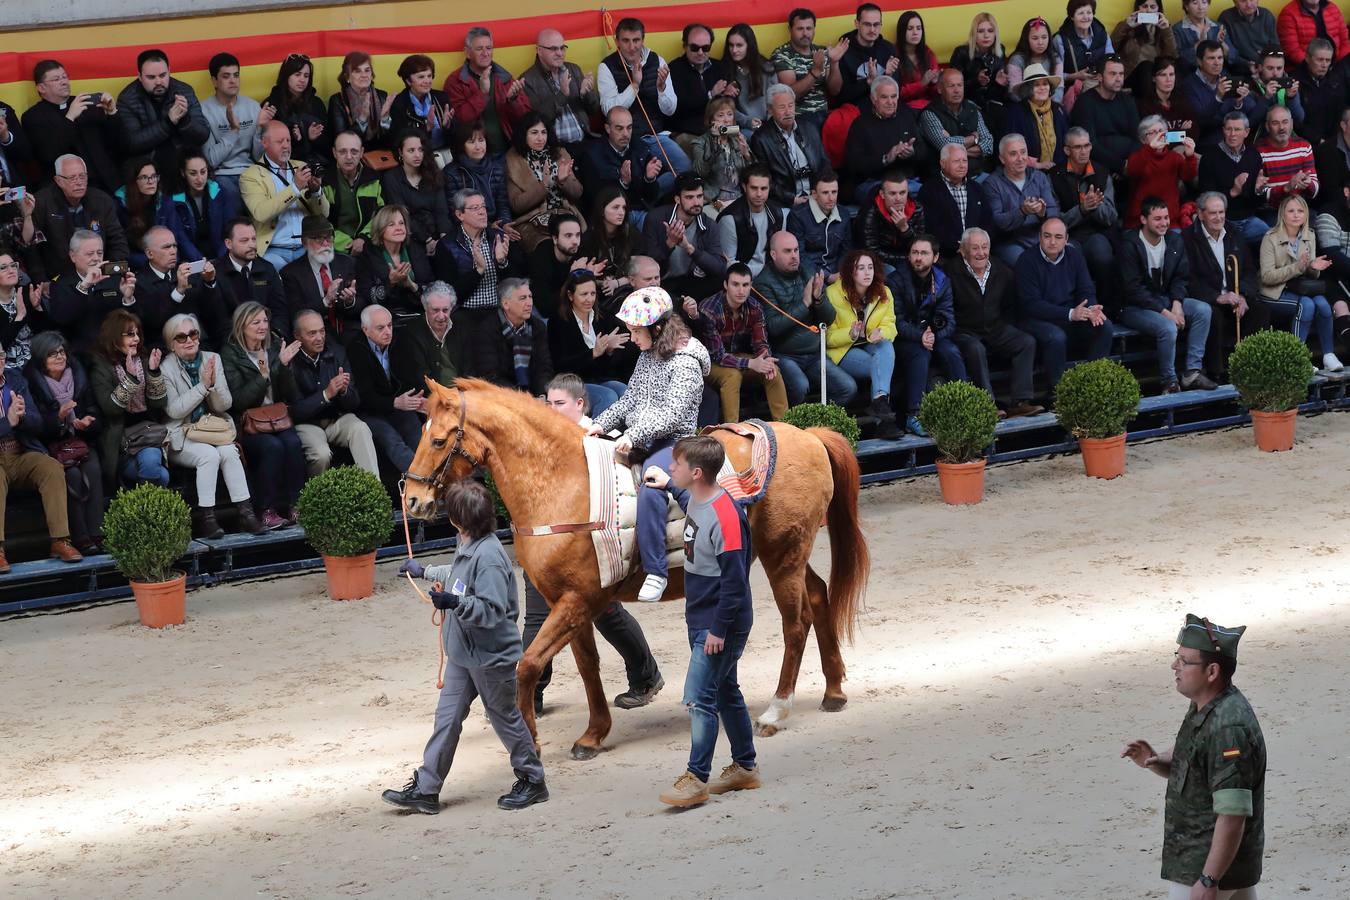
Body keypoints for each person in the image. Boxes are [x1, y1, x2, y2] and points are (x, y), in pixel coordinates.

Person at [383, 479, 549, 815]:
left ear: (458, 520)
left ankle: (533, 780)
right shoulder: (471, 543)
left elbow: (490, 610)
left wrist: (454, 603)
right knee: (446, 719)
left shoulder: (488, 557)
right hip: (464, 654)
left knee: (504, 718)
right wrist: (426, 570)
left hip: (490, 658)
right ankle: (427, 789)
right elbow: (459, 574)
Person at [521, 373, 664, 713]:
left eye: (559, 403)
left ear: (580, 404)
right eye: (549, 402)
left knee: (606, 614)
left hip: (592, 545)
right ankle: (532, 693)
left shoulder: (604, 440)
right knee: (538, 616)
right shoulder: (547, 440)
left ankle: (645, 675)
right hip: (550, 542)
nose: (551, 409)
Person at [643, 436, 759, 808]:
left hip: (718, 622)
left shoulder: (726, 517)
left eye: (675, 466)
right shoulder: (697, 496)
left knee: (700, 698)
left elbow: (735, 582)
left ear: (695, 472)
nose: (669, 469)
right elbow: (693, 511)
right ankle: (745, 766)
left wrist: (718, 630)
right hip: (705, 616)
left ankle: (696, 778)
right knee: (725, 692)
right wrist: (670, 488)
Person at [1121, 614, 1265, 899]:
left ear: (1211, 672)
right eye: (1178, 657)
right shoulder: (1206, 704)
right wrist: (1158, 761)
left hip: (1207, 864)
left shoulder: (1228, 729)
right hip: (1219, 862)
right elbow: (1196, 760)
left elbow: (1232, 813)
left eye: (1185, 661)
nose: (1175, 666)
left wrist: (1209, 880)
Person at [585, 286, 712, 602]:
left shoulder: (685, 361)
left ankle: (656, 570)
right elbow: (629, 399)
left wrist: (632, 435)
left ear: (657, 329)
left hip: (677, 443)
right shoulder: (647, 356)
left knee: (653, 481)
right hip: (644, 438)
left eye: (635, 330)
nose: (631, 335)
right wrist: (600, 423)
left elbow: (671, 414)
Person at [158, 312, 263, 538]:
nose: (189, 340)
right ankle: (208, 519)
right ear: (171, 344)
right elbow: (174, 410)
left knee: (229, 452)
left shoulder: (211, 358)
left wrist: (213, 385)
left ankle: (246, 513)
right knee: (209, 455)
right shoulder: (166, 367)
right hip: (182, 436)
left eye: (193, 334)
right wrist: (202, 387)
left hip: (213, 430)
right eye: (181, 337)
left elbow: (225, 404)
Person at [1119, 197, 1217, 393]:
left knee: (1203, 310)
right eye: (1157, 219)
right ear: (1144, 219)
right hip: (1133, 307)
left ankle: (1192, 373)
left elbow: (1181, 277)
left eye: (1166, 217)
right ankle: (1169, 381)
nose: (1164, 223)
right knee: (1168, 328)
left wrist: (1177, 303)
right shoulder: (1129, 244)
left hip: (1164, 299)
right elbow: (1134, 290)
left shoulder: (1174, 239)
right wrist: (1167, 313)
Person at [222, 301, 306, 528]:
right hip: (248, 424)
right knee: (272, 447)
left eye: (265, 321)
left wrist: (285, 366)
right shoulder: (230, 354)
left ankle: (298, 505)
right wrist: (264, 374)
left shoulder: (275, 346)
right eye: (256, 322)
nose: (262, 326)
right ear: (242, 325)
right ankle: (264, 510)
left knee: (292, 442)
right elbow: (240, 400)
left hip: (277, 418)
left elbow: (290, 393)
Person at [0, 344, 84, 571]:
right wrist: (8, 422)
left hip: (19, 451)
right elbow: (9, 423)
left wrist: (23, 415)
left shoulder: (15, 381)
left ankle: (60, 541)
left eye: (0, 356)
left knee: (51, 467)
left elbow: (39, 423)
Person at [22, 331, 104, 555]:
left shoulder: (79, 376)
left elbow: (95, 412)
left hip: (80, 441)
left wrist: (88, 422)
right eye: (52, 354)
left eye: (61, 352)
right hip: (50, 446)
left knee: (93, 467)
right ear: (41, 360)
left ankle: (98, 533)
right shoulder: (31, 383)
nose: (59, 357)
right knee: (72, 475)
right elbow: (34, 427)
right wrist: (58, 418)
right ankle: (80, 537)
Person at [950, 227, 1043, 417]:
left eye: (984, 247)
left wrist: (1004, 325)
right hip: (964, 330)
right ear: (963, 250)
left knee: (1026, 342)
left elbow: (1009, 304)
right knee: (976, 349)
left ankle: (1020, 401)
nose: (981, 253)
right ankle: (987, 405)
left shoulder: (1000, 269)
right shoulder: (950, 271)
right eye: (975, 248)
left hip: (994, 327)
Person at [1015, 217, 1115, 386]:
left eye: (1058, 237)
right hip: (1035, 319)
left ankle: (1093, 385)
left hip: (1068, 315)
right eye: (1047, 236)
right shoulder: (1026, 261)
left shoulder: (1074, 255)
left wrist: (1091, 308)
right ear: (1039, 237)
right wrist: (1070, 314)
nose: (1052, 242)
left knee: (1104, 326)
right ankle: (1057, 393)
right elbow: (1032, 305)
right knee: (1056, 337)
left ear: (1066, 239)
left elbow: (1086, 288)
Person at [1183, 191, 1272, 377]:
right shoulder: (1188, 239)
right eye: (1213, 213)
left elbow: (1249, 270)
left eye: (1221, 212)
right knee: (1213, 315)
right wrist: (1217, 297)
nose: (1218, 217)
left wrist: (1243, 295)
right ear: (1201, 214)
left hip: (1235, 296)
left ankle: (1251, 368)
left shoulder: (1234, 233)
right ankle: (1218, 373)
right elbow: (1188, 279)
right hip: (1208, 299)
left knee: (1260, 310)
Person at [754, 231, 846, 405]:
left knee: (847, 388)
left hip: (814, 353)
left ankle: (818, 421)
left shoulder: (808, 271)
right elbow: (773, 327)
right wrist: (804, 304)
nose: (794, 256)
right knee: (800, 386)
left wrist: (819, 300)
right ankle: (795, 427)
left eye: (796, 250)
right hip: (786, 355)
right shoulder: (763, 283)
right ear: (773, 255)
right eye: (787, 251)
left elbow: (829, 319)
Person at [287, 308, 379, 478]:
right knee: (321, 454)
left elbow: (354, 402)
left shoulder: (337, 352)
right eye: (312, 333)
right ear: (297, 336)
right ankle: (315, 500)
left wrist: (344, 391)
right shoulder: (290, 361)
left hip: (336, 418)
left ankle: (374, 493)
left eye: (322, 331)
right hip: (307, 423)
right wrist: (326, 394)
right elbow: (295, 411)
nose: (320, 337)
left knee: (361, 428)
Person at [891, 234, 968, 433]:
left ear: (935, 257)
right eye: (915, 253)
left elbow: (949, 320)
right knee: (920, 353)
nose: (918, 257)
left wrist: (933, 335)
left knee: (950, 350)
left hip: (931, 335)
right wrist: (920, 336)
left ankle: (965, 405)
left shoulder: (942, 281)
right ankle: (914, 415)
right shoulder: (896, 280)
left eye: (924, 253)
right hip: (904, 338)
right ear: (908, 256)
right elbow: (895, 321)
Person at [597, 17, 692, 179]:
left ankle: (652, 193)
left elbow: (670, 110)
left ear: (643, 40)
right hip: (626, 140)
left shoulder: (657, 61)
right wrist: (634, 85)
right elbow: (609, 110)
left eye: (636, 40)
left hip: (656, 136)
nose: (632, 47)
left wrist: (661, 90)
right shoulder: (606, 66)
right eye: (626, 41)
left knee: (684, 168)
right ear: (617, 41)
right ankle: (648, 193)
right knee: (634, 177)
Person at [692, 263, 788, 422]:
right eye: (735, 284)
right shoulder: (709, 309)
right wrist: (751, 364)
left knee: (773, 370)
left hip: (737, 357)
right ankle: (732, 430)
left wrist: (765, 358)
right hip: (708, 363)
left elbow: (761, 342)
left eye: (745, 285)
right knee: (732, 375)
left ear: (751, 286)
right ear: (725, 285)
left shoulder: (754, 307)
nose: (741, 290)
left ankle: (786, 427)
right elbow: (718, 356)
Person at [88, 309, 169, 491]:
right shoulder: (100, 366)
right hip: (120, 441)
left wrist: (154, 372)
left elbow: (159, 403)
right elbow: (111, 409)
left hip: (148, 434)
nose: (137, 339)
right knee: (161, 476)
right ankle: (148, 513)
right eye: (130, 334)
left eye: (137, 334)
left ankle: (140, 513)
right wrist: (130, 379)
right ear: (114, 337)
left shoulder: (144, 359)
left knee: (152, 464)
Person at [1258, 193, 1342, 369]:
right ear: (1282, 214)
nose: (1296, 215)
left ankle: (1328, 355)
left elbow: (1309, 274)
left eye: (1300, 211)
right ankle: (1297, 358)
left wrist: (1313, 266)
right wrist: (1298, 267)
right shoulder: (1270, 238)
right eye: (1291, 211)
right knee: (1307, 305)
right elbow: (1267, 277)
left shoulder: (1309, 235)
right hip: (1273, 290)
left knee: (1324, 304)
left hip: (1299, 288)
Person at [825, 249, 900, 437]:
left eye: (870, 268)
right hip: (843, 350)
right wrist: (849, 334)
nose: (867, 273)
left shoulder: (884, 292)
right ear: (851, 271)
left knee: (886, 347)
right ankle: (884, 421)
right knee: (881, 367)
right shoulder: (833, 294)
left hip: (870, 345)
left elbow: (891, 325)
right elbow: (826, 337)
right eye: (861, 268)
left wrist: (881, 332)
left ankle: (880, 404)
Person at [346, 303, 426, 474]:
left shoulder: (400, 340)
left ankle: (435, 482)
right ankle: (422, 480)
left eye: (389, 326)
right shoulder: (355, 349)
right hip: (370, 411)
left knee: (418, 438)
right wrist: (394, 402)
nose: (388, 332)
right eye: (380, 328)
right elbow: (364, 396)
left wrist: (417, 398)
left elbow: (412, 376)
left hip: (399, 404)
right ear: (365, 330)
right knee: (392, 441)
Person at [23, 60, 121, 195]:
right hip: (64, 191)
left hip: (105, 183)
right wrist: (70, 118)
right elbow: (47, 155)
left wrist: (112, 113)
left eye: (65, 77)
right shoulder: (33, 117)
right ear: (41, 88)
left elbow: (117, 143)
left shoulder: (87, 104)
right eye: (56, 79)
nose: (64, 82)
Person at [241, 121, 329, 270]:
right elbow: (261, 213)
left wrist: (316, 191)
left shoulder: (301, 166)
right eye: (280, 141)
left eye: (288, 140)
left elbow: (324, 213)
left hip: (307, 248)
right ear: (265, 143)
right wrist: (294, 188)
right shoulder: (251, 175)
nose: (286, 146)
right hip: (273, 250)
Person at [31, 155, 129, 284]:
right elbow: (31, 248)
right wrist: (41, 281)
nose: (79, 182)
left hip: (100, 273)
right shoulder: (41, 203)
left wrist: (108, 272)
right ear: (58, 180)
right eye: (72, 178)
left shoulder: (102, 200)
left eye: (82, 176)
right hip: (58, 278)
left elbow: (118, 242)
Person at [116, 49, 210, 182]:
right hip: (146, 168)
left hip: (182, 165)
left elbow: (203, 135)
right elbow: (132, 143)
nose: (159, 82)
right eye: (151, 77)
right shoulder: (127, 99)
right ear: (140, 76)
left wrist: (184, 120)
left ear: (169, 71)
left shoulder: (184, 91)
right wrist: (168, 122)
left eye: (163, 75)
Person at [548, 271, 633, 415]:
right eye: (584, 294)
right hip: (570, 382)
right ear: (570, 295)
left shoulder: (602, 317)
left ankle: (621, 435)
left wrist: (609, 351)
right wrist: (593, 353)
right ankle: (594, 435)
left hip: (598, 378)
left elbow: (606, 368)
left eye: (592, 294)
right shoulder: (558, 322)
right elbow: (561, 365)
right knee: (608, 396)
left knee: (625, 392)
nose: (589, 299)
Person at [46, 230, 140, 357]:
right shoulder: (61, 285)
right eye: (90, 254)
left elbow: (132, 322)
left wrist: (128, 299)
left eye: (99, 253)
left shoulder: (115, 280)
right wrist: (84, 286)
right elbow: (62, 319)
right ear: (73, 256)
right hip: (82, 353)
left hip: (116, 349)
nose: (96, 258)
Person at [1049, 126, 1120, 295]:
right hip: (1068, 235)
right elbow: (1053, 220)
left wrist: (1095, 207)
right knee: (1070, 257)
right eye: (1078, 147)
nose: (1084, 151)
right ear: (1067, 150)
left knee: (1102, 255)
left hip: (1097, 233)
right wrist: (1081, 210)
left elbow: (1111, 216)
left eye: (1087, 146)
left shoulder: (1102, 172)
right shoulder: (1054, 176)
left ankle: (1107, 308)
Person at [135, 224, 227, 349]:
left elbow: (213, 313)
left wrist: (209, 282)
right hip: (163, 350)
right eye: (166, 247)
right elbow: (152, 324)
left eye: (174, 246)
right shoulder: (140, 282)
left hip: (199, 345)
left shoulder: (187, 271)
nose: (173, 251)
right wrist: (179, 291)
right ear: (150, 253)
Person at [199, 53, 268, 215]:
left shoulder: (252, 107)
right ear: (214, 81)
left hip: (252, 171)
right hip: (222, 175)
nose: (233, 80)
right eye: (226, 76)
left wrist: (260, 128)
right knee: (230, 195)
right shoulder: (203, 111)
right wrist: (233, 131)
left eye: (236, 75)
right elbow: (211, 160)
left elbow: (259, 157)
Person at [505, 113, 585, 252]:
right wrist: (544, 185)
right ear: (524, 135)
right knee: (548, 247)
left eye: (543, 132)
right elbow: (516, 205)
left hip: (564, 213)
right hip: (533, 221)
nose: (540, 138)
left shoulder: (559, 153)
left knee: (577, 242)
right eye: (534, 133)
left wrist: (564, 181)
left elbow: (578, 193)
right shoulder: (513, 159)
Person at [445, 27, 532, 155]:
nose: (485, 53)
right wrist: (482, 94)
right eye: (479, 49)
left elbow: (526, 119)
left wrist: (514, 101)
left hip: (507, 150)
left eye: (489, 48)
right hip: (474, 155)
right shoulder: (455, 81)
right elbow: (460, 121)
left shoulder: (505, 78)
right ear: (467, 53)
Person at [841, 76, 927, 202]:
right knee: (888, 199)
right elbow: (854, 164)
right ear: (873, 99)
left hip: (907, 182)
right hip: (874, 183)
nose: (890, 102)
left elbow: (924, 153)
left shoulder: (907, 116)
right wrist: (885, 159)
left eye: (893, 96)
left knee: (930, 195)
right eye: (884, 97)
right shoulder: (860, 124)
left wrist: (912, 152)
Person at [642, 172, 727, 300]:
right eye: (689, 197)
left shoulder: (709, 224)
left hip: (690, 281)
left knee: (723, 279)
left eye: (699, 196)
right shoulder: (656, 218)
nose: (696, 202)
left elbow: (719, 268)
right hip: (661, 282)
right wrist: (669, 244)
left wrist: (690, 249)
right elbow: (646, 263)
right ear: (677, 199)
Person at [465, 278, 555, 396]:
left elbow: (544, 368)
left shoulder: (537, 327)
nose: (530, 303)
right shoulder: (486, 330)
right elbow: (490, 376)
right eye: (522, 298)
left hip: (533, 395)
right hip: (501, 397)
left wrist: (542, 394)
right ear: (506, 304)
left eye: (530, 296)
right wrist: (521, 399)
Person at [440, 189, 515, 324]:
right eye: (475, 208)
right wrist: (478, 271)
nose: (482, 212)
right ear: (459, 214)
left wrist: (502, 262)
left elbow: (515, 284)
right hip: (466, 314)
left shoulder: (499, 237)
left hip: (501, 311)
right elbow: (449, 294)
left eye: (483, 206)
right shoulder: (447, 245)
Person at [986, 133, 1063, 266]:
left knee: (1071, 252)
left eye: (1023, 152)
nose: (1020, 158)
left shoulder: (1039, 177)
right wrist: (1022, 211)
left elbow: (1054, 211)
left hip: (1041, 237)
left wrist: (1042, 214)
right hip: (1010, 242)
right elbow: (996, 222)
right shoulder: (992, 183)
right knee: (1028, 263)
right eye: (1013, 154)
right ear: (1002, 159)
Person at [280, 215, 360, 339]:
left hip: (348, 331)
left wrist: (350, 302)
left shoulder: (347, 263)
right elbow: (297, 315)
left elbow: (363, 302)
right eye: (318, 239)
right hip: (314, 336)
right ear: (304, 242)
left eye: (328, 237)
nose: (325, 243)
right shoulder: (291, 274)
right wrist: (326, 300)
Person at [577, 107, 667, 217]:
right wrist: (622, 183)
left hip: (642, 210)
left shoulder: (641, 148)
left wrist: (649, 179)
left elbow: (651, 196)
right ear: (607, 128)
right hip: (611, 217)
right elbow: (595, 199)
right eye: (619, 128)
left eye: (629, 128)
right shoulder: (592, 156)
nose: (625, 134)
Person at [521, 29, 598, 154]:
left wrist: (586, 94)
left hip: (585, 141)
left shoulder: (574, 69)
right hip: (554, 148)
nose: (559, 53)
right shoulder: (528, 80)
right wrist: (562, 95)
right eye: (553, 49)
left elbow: (593, 110)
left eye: (562, 48)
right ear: (539, 51)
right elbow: (537, 122)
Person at [751, 84, 827, 210]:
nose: (788, 112)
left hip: (816, 196)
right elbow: (764, 180)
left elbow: (824, 164)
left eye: (791, 105)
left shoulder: (809, 128)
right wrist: (791, 199)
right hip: (785, 202)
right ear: (770, 109)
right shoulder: (761, 139)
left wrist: (820, 192)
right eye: (782, 107)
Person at [1197, 112, 1268, 246]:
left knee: (1272, 238)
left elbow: (1259, 202)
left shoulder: (1254, 155)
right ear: (1223, 130)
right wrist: (1233, 191)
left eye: (1237, 129)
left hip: (1249, 220)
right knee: (1232, 245)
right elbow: (1205, 199)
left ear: (1246, 132)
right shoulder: (1210, 158)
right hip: (1222, 222)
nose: (1232, 134)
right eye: (1229, 129)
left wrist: (1259, 190)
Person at [919, 143, 993, 263]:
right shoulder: (929, 191)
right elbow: (931, 227)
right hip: (945, 256)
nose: (962, 165)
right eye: (956, 161)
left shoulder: (976, 188)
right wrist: (959, 246)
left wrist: (976, 246)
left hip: (978, 253)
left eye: (965, 161)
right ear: (942, 163)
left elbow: (988, 221)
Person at [382, 130, 450, 257]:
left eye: (420, 150)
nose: (417, 155)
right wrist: (427, 240)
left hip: (438, 233)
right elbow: (402, 214)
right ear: (401, 152)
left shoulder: (433, 173)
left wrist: (443, 238)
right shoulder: (391, 178)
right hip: (411, 235)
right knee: (423, 274)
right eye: (411, 150)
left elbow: (441, 210)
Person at [1069, 54, 1140, 176]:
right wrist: (1120, 166)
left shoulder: (1127, 100)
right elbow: (1090, 145)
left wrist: (1131, 163)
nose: (1118, 78)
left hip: (1129, 163)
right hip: (1098, 166)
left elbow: (1137, 137)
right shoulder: (1085, 103)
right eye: (1113, 74)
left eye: (1121, 74)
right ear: (1100, 77)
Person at [356, 204, 431, 318]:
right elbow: (366, 297)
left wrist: (412, 285)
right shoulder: (367, 256)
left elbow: (432, 290)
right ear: (380, 230)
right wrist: (390, 282)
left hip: (418, 314)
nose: (399, 228)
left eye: (401, 223)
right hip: (384, 318)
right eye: (391, 224)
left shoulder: (416, 250)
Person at [1125, 116, 1200, 226]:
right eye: (1153, 132)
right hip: (1141, 222)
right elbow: (1133, 170)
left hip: (1169, 220)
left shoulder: (1175, 157)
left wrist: (1189, 156)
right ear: (1143, 139)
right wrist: (1150, 149)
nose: (1159, 135)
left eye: (1161, 131)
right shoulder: (1137, 157)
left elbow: (1188, 176)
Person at [116, 157, 190, 270]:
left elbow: (179, 236)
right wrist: (153, 261)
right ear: (134, 181)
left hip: (164, 260)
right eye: (144, 177)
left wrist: (199, 261)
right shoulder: (120, 205)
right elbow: (121, 247)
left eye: (154, 176)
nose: (151, 181)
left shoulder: (165, 202)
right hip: (136, 264)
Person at [918, 68, 995, 174]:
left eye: (960, 85)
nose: (957, 90)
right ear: (940, 89)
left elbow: (989, 143)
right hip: (946, 178)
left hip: (977, 173)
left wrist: (955, 150)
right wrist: (974, 139)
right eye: (951, 86)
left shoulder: (972, 108)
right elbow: (944, 145)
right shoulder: (930, 114)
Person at [1185, 40, 1260, 148]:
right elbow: (1200, 122)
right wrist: (1218, 98)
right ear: (1199, 61)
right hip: (1207, 145)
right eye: (1211, 58)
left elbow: (1251, 108)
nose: (1217, 63)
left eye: (1220, 58)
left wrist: (1238, 103)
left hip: (1232, 141)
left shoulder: (1225, 76)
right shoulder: (1189, 85)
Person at [394, 282, 468, 393]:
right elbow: (420, 379)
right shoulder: (411, 334)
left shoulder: (461, 327)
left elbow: (470, 369)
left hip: (463, 395)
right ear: (425, 308)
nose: (441, 316)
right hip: (432, 398)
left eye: (445, 310)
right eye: (435, 310)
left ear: (452, 308)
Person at [216, 218, 288, 331]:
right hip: (233, 342)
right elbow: (218, 319)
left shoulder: (267, 269)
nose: (252, 245)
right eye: (244, 240)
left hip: (267, 339)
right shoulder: (217, 273)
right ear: (228, 243)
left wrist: (274, 337)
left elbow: (279, 311)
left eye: (254, 239)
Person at [667, 24, 732, 143]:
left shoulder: (720, 68)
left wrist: (733, 89)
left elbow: (731, 103)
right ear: (685, 46)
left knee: (743, 137)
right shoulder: (673, 69)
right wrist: (710, 95)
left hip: (720, 128)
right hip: (687, 131)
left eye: (705, 47)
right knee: (706, 149)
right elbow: (678, 108)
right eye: (695, 47)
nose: (700, 52)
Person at [323, 130, 384, 255]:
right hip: (335, 247)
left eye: (354, 151)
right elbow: (322, 221)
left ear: (361, 152)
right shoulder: (325, 181)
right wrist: (347, 244)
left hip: (369, 243)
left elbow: (381, 213)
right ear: (334, 153)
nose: (349, 157)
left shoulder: (374, 179)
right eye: (342, 151)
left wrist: (363, 238)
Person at [579, 186, 643, 306]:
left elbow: (641, 270)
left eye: (624, 208)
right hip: (595, 294)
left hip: (628, 290)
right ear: (602, 210)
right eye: (615, 207)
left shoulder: (632, 235)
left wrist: (617, 283)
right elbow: (580, 275)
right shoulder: (589, 239)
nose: (621, 212)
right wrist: (601, 283)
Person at [827, 3, 898, 108]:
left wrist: (888, 76)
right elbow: (840, 96)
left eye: (876, 24)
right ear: (857, 23)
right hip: (855, 110)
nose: (872, 30)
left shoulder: (888, 49)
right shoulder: (843, 50)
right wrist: (868, 83)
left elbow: (897, 92)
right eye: (867, 24)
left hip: (884, 108)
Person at [263, 54, 329, 167]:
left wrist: (313, 138)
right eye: (297, 74)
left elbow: (329, 143)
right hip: (284, 165)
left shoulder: (317, 103)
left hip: (318, 164)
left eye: (306, 75)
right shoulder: (272, 104)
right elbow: (267, 145)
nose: (302, 80)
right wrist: (296, 140)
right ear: (286, 76)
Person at [787, 171, 853, 283]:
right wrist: (827, 276)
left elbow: (846, 250)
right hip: (809, 274)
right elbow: (799, 256)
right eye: (825, 192)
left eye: (834, 192)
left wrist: (842, 273)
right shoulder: (798, 216)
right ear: (814, 194)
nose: (831, 198)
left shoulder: (844, 214)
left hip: (838, 272)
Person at [856, 168, 926, 273]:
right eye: (892, 193)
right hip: (877, 261)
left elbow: (920, 245)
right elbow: (871, 252)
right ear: (882, 194)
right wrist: (906, 259)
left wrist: (905, 229)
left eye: (902, 193)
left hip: (907, 257)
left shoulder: (916, 209)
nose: (898, 198)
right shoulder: (870, 213)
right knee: (893, 271)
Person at [690, 98, 754, 212]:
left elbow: (754, 175)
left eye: (730, 115)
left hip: (740, 197)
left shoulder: (737, 140)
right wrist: (715, 144)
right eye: (720, 115)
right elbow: (700, 172)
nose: (726, 120)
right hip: (713, 200)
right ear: (711, 120)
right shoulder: (699, 143)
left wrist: (746, 155)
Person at [717, 163, 779, 277]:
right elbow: (727, 263)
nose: (759, 194)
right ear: (745, 187)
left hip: (771, 275)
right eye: (754, 188)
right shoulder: (730, 219)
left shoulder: (776, 213)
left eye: (764, 188)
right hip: (744, 279)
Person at [1002, 65, 1069, 170]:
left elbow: (1066, 141)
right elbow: (1010, 148)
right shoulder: (1016, 113)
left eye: (1045, 84)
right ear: (1028, 89)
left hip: (1058, 170)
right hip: (1026, 171)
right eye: (1036, 85)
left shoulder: (1058, 110)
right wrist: (1037, 165)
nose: (1042, 88)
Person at [172, 153, 235, 264]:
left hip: (221, 257)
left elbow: (229, 229)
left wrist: (221, 259)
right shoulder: (174, 201)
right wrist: (200, 261)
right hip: (190, 260)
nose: (199, 179)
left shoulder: (220, 193)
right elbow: (181, 238)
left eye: (203, 172)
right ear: (183, 173)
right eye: (193, 173)